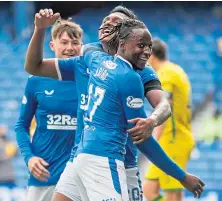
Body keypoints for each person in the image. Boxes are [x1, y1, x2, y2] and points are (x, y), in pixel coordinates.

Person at [24, 7, 204, 201]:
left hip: (121, 164)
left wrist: (152, 120)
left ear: (126, 34)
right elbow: (34, 66)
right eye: (106, 19)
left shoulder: (139, 71)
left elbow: (163, 106)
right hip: (82, 158)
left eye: (114, 21)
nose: (107, 23)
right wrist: (39, 30)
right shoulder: (87, 59)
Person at [14, 18, 83, 201]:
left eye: (75, 43)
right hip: (44, 175)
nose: (70, 47)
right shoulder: (36, 80)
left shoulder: (89, 80)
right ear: (53, 45)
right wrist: (29, 158)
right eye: (64, 42)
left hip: (80, 178)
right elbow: (21, 126)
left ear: (81, 46)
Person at [143, 38, 195, 201]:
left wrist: (154, 142)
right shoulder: (176, 70)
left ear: (151, 56)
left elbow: (165, 109)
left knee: (172, 194)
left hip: (172, 139)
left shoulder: (166, 74)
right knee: (149, 190)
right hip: (176, 138)